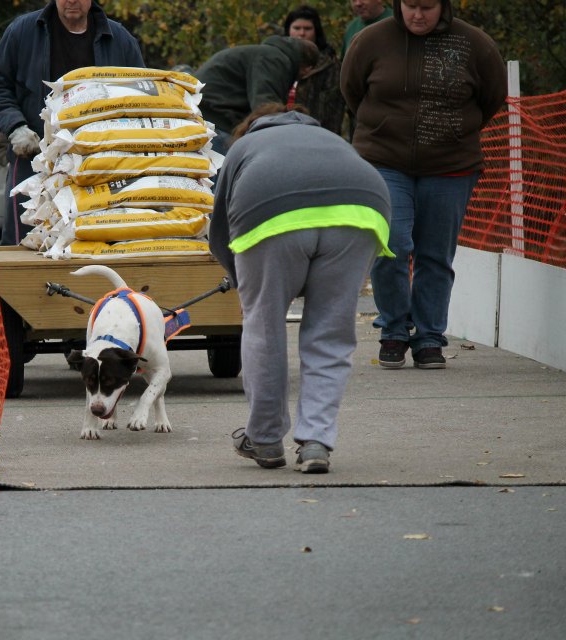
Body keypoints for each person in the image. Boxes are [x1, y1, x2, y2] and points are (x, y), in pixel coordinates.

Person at [210, 103, 393, 473]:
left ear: (251, 128)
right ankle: (316, 442)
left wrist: (248, 286)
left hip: (269, 211)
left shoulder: (243, 147)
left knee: (264, 327)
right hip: (362, 210)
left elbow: (220, 233)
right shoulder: (330, 139)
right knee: (330, 332)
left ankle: (264, 439)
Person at [341, 0, 506, 369]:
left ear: (443, 6)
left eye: (427, 7)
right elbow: (352, 91)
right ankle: (395, 330)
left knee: (435, 254)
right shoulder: (370, 40)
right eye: (410, 6)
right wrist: (381, 130)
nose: (418, 15)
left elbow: (492, 97)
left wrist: (455, 132)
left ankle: (430, 337)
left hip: (450, 165)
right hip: (383, 162)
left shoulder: (474, 44)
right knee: (391, 245)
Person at [0, 0, 144, 246]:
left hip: (98, 163)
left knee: (91, 240)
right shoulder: (23, 32)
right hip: (35, 156)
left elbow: (139, 97)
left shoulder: (119, 39)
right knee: (25, 241)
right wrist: (15, 126)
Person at [195, 36, 320, 155]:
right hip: (214, 120)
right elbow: (265, 109)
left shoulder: (267, 54)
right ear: (307, 69)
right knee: (226, 170)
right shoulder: (274, 60)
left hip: (204, 112)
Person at [282, 5, 345, 134]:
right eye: (297, 28)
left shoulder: (330, 65)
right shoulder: (277, 61)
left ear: (316, 31)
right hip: (281, 130)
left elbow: (334, 110)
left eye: (307, 29)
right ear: (288, 30)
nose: (301, 33)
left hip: (317, 132)